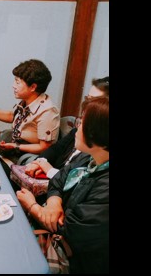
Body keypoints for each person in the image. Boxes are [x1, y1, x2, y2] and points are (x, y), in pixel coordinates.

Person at [17, 97, 109, 273]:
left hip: (76, 260)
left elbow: (72, 231)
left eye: (82, 123)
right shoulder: (87, 157)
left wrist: (32, 206)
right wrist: (53, 204)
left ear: (99, 134)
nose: (76, 128)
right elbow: (58, 179)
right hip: (54, 232)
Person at [0, 59, 60, 170]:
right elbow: (12, 116)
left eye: (17, 82)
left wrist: (16, 146)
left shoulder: (48, 111)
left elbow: (44, 147)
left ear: (33, 87)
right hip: (15, 150)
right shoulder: (28, 100)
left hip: (26, 158)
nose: (13, 86)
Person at [25, 76, 109, 179]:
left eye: (94, 101)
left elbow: (74, 182)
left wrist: (49, 170)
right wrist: (39, 162)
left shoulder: (97, 146)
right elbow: (56, 149)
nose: (87, 104)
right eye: (87, 99)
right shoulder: (78, 131)